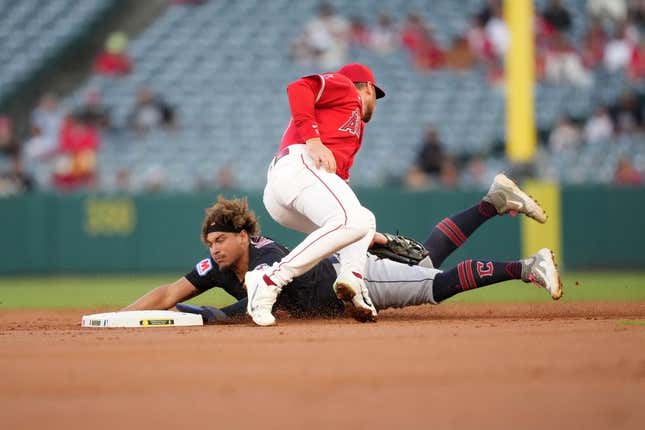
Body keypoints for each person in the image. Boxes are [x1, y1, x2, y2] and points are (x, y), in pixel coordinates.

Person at [125, 174, 560, 323]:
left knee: (437, 283)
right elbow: (168, 294)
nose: (214, 249)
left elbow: (247, 309)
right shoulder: (217, 264)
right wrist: (125, 317)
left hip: (355, 282)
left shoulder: (267, 255)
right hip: (345, 284)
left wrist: (210, 316)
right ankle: (492, 202)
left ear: (243, 234)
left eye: (221, 240)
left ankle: (528, 266)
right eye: (210, 243)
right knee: (425, 259)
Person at [242, 63, 385, 327]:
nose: (376, 101)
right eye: (376, 94)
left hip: (288, 188)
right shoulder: (345, 87)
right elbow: (299, 87)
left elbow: (337, 184)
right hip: (298, 165)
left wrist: (362, 235)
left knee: (362, 220)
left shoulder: (356, 130)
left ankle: (352, 281)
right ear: (367, 88)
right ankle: (269, 279)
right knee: (354, 221)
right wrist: (313, 140)